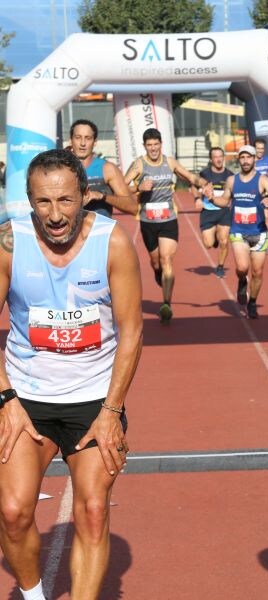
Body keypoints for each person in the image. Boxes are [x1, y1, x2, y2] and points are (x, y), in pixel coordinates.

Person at [0, 149, 142, 600]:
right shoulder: (9, 243)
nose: (55, 215)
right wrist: (6, 399)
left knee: (95, 509)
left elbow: (133, 330)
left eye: (65, 201)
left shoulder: (112, 241)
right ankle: (34, 594)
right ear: (28, 202)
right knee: (13, 511)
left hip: (94, 398)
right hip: (27, 395)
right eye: (43, 202)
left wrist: (111, 411)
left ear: (85, 195)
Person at [122, 128, 213, 324]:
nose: (153, 148)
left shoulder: (169, 162)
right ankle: (157, 272)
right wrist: (138, 187)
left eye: (156, 144)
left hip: (168, 220)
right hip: (148, 221)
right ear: (145, 146)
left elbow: (189, 176)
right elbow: (121, 186)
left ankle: (166, 304)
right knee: (156, 262)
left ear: (160, 144)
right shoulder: (139, 164)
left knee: (166, 259)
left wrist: (205, 183)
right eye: (149, 145)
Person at [214, 145, 268, 319]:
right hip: (238, 231)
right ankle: (242, 281)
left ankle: (252, 302)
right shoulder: (231, 181)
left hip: (259, 231)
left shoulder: (263, 180)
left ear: (254, 160)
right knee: (242, 268)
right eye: (242, 158)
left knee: (257, 272)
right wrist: (211, 197)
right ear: (238, 159)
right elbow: (224, 201)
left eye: (248, 157)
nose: (245, 161)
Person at [68, 119, 139, 217]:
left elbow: (133, 208)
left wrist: (102, 196)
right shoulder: (60, 169)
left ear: (95, 142)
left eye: (88, 138)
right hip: (71, 231)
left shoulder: (107, 169)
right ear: (71, 140)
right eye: (78, 137)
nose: (83, 143)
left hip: (100, 231)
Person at [193, 146, 233, 278]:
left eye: (220, 156)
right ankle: (214, 239)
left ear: (223, 157)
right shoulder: (205, 174)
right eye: (215, 157)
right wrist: (197, 199)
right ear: (211, 159)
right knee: (209, 244)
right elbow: (193, 185)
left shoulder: (230, 175)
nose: (218, 159)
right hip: (208, 212)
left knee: (224, 240)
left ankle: (220, 267)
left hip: (224, 211)